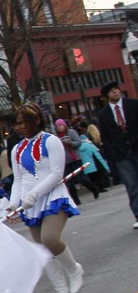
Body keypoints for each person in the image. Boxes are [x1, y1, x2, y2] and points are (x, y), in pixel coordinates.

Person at [9, 103, 85, 293]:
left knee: (50, 239)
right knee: (42, 251)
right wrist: (13, 202)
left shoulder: (51, 141)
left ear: (37, 120)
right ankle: (61, 292)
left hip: (52, 197)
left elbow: (56, 174)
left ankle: (74, 270)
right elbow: (18, 178)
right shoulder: (16, 149)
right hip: (30, 204)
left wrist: (35, 194)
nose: (21, 126)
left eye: (25, 122)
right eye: (17, 123)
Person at [96, 80, 138, 228]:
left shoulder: (133, 104)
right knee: (132, 185)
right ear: (106, 96)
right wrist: (112, 153)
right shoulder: (104, 114)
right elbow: (105, 136)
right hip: (122, 154)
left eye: (116, 89)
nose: (115, 92)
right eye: (111, 91)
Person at [53, 118, 100, 204]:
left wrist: (70, 143)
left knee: (80, 178)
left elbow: (78, 142)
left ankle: (93, 188)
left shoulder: (71, 132)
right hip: (65, 161)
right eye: (57, 126)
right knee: (69, 182)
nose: (59, 127)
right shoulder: (56, 137)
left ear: (64, 125)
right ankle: (76, 200)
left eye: (60, 125)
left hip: (75, 158)